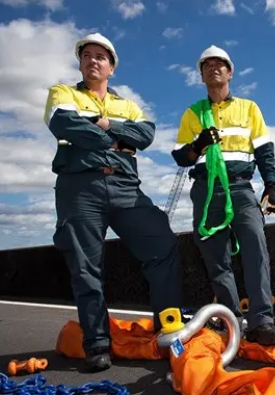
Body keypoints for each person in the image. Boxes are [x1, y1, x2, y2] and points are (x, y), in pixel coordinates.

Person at [44, 32, 184, 372]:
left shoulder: (128, 104)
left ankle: (167, 329)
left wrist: (100, 125)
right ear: (81, 62)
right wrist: (114, 136)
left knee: (162, 244)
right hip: (80, 186)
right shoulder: (62, 93)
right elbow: (62, 122)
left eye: (101, 56)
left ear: (111, 67)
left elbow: (147, 134)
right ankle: (97, 344)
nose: (93, 60)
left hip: (125, 186)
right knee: (85, 265)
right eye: (87, 55)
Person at [171, 45, 275, 346]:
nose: (213, 68)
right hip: (206, 192)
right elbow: (181, 156)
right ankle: (230, 320)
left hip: (240, 187)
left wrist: (271, 185)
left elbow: (263, 149)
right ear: (201, 75)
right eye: (206, 65)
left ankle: (262, 322)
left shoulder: (249, 108)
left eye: (219, 64)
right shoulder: (193, 113)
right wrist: (197, 145)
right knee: (216, 259)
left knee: (255, 250)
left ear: (230, 71)